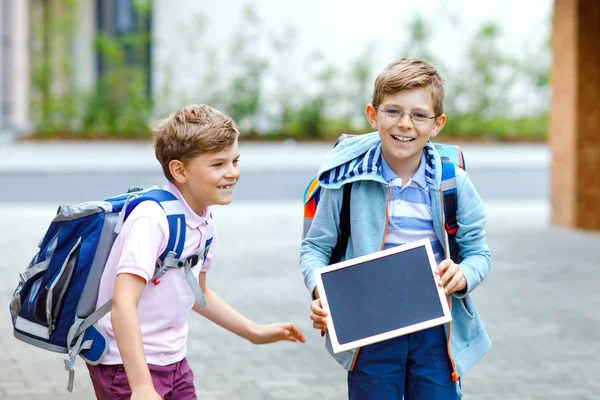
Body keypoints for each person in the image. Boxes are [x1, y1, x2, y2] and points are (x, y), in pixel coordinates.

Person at [300, 58, 491, 399]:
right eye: (393, 112)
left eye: (419, 115)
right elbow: (315, 248)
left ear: (437, 124)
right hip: (368, 329)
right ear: (373, 115)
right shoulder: (345, 181)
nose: (405, 124)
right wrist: (320, 292)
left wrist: (463, 275)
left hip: (436, 330)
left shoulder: (453, 182)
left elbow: (478, 253)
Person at [87, 104, 305, 400]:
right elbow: (122, 305)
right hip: (128, 367)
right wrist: (141, 386)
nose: (233, 173)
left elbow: (197, 294)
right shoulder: (152, 220)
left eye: (235, 160)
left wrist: (252, 332)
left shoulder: (204, 219)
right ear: (179, 170)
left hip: (174, 361)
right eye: (218, 164)